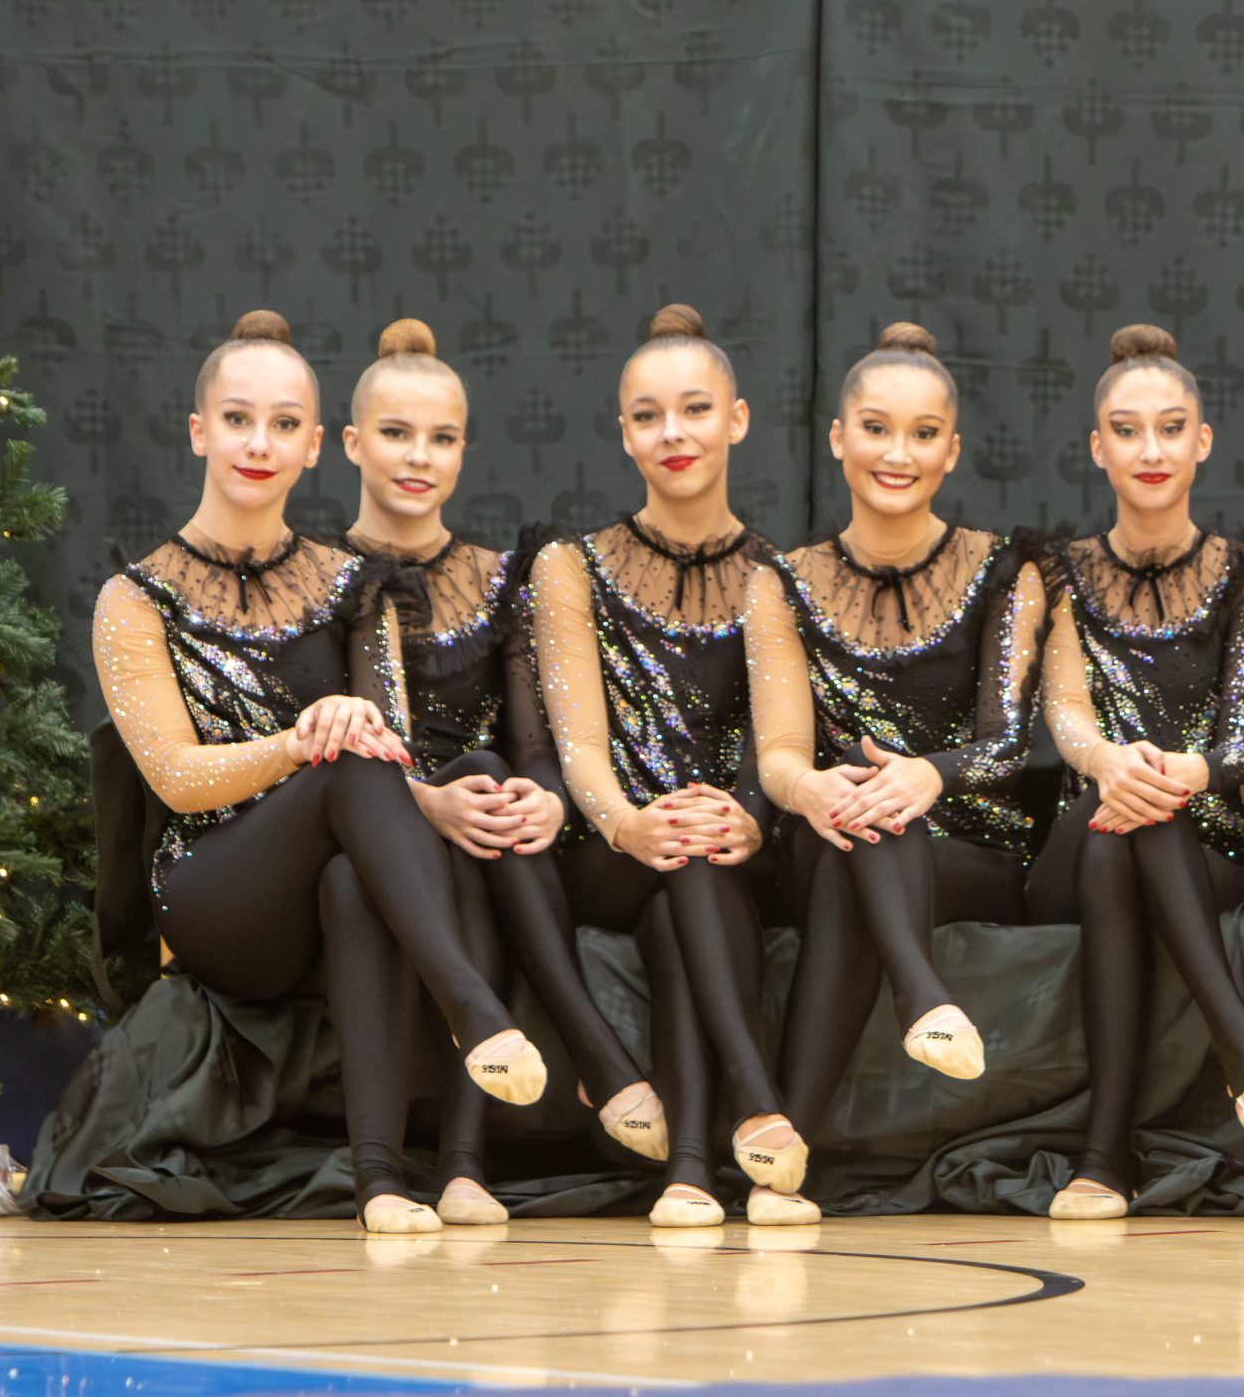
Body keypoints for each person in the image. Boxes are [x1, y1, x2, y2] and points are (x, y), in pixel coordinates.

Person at [90, 311, 544, 1237]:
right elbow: (174, 778)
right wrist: (298, 744)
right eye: (238, 420)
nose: (259, 443)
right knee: (344, 752)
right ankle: (470, 1004)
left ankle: (385, 1181)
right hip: (215, 894)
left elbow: (391, 749)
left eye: (284, 424)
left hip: (326, 877)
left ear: (313, 446)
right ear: (199, 431)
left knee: (361, 844)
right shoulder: (135, 596)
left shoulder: (356, 584)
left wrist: (429, 795)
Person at [511, 304, 807, 1227]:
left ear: (737, 419)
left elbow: (782, 741)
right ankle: (756, 1110)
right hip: (612, 844)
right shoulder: (572, 565)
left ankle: (687, 1173)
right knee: (680, 855)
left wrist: (751, 813)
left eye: (694, 410)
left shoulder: (778, 573)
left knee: (697, 875)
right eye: (649, 416)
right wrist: (625, 820)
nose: (673, 433)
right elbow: (579, 744)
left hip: (729, 845)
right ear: (624, 431)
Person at [748, 323, 1046, 1220]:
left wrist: (932, 776)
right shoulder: (783, 580)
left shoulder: (1004, 569)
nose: (897, 453)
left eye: (923, 434)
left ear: (951, 449)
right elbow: (779, 753)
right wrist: (810, 787)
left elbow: (1013, 741)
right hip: (830, 830)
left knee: (872, 831)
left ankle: (781, 1154)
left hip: (969, 846)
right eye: (877, 429)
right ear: (838, 437)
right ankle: (924, 1000)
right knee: (855, 811)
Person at [1031, 323, 1244, 1220]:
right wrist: (1109, 762)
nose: (1150, 450)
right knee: (1114, 824)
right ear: (1097, 447)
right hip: (1078, 832)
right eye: (1127, 430)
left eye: (1170, 428)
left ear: (1203, 440)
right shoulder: (1061, 574)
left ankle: (1104, 1158)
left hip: (1207, 846)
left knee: (1134, 831)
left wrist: (1177, 772)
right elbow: (1066, 711)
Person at [329, 319, 566, 1230]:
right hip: (367, 836)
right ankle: (381, 1175)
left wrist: (545, 797)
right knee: (356, 873)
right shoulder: (321, 576)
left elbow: (533, 742)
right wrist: (422, 802)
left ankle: (466, 1168)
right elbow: (334, 743)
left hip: (477, 829)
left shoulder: (500, 580)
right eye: (396, 433)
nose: (418, 457)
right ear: (353, 442)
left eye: (442, 437)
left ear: (465, 448)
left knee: (492, 783)